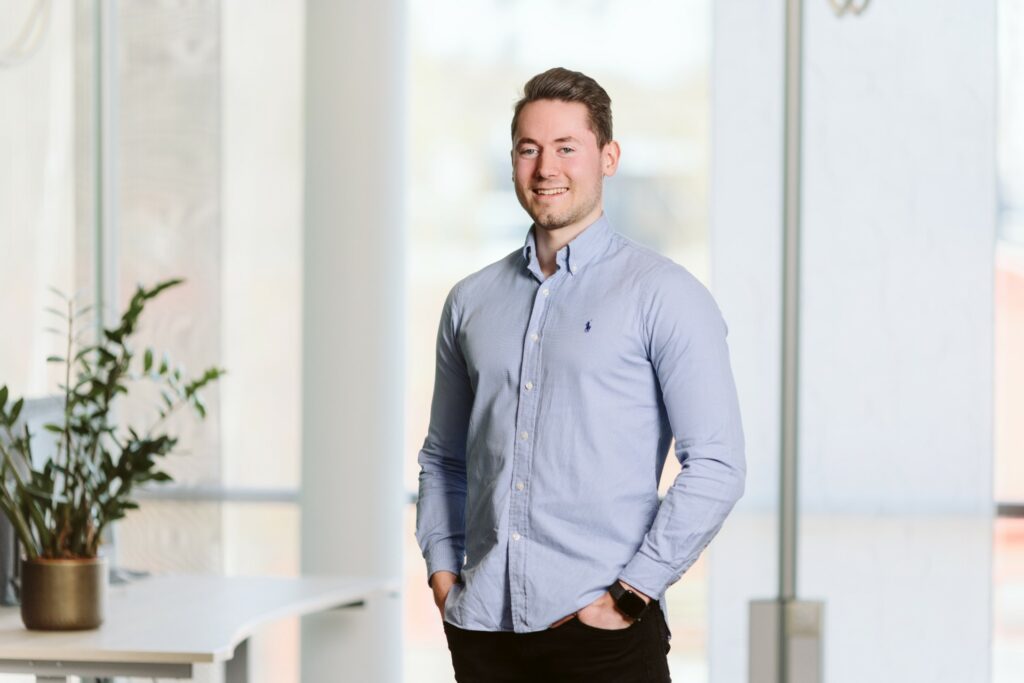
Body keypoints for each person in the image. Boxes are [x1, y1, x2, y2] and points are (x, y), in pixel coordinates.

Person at [414, 66, 746, 683]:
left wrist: (630, 595)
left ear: (608, 157)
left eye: (567, 147)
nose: (547, 168)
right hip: (483, 633)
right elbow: (444, 459)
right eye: (529, 148)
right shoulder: (470, 301)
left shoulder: (664, 295)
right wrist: (443, 575)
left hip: (605, 635)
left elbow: (717, 465)